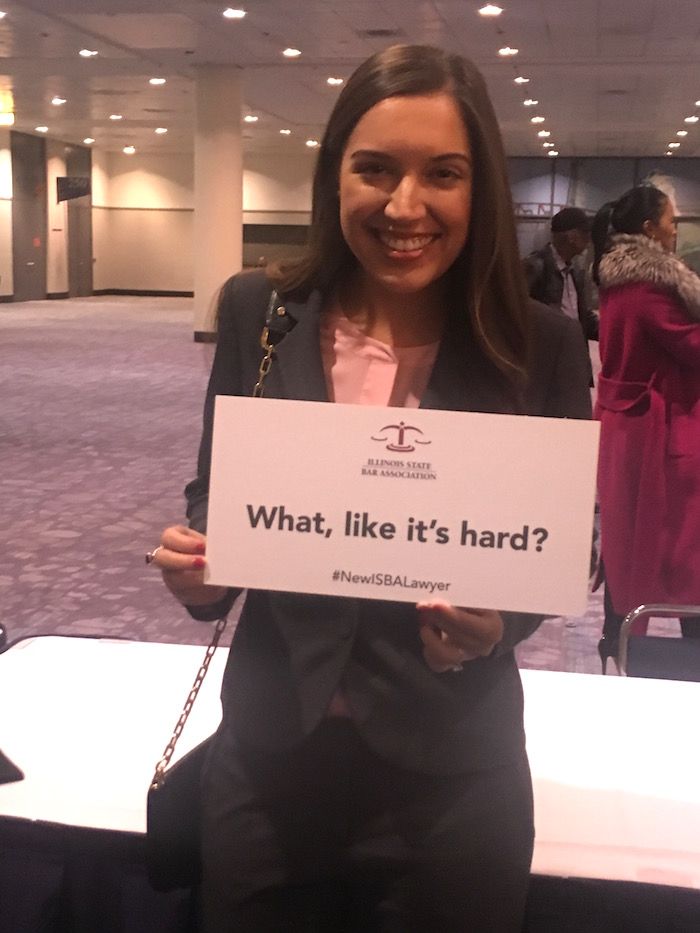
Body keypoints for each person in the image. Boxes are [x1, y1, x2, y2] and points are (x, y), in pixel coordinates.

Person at [149, 44, 591, 932]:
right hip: (269, 762)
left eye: (443, 174)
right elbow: (220, 487)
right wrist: (202, 562)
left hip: (454, 777)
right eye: (376, 169)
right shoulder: (260, 312)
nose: (404, 206)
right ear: (335, 176)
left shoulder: (538, 342)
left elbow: (557, 546)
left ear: (480, 190)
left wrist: (496, 624)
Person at [592, 185, 700, 672]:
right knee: (677, 545)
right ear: (649, 229)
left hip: (629, 428)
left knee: (628, 543)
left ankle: (616, 642)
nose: (676, 229)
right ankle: (677, 649)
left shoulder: (617, 281)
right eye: (670, 221)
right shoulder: (650, 286)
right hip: (657, 431)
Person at [525, 207, 598, 383]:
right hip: (544, 362)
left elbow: (581, 315)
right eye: (586, 234)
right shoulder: (535, 266)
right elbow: (520, 314)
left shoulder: (574, 271)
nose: (589, 241)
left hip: (572, 357)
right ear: (572, 236)